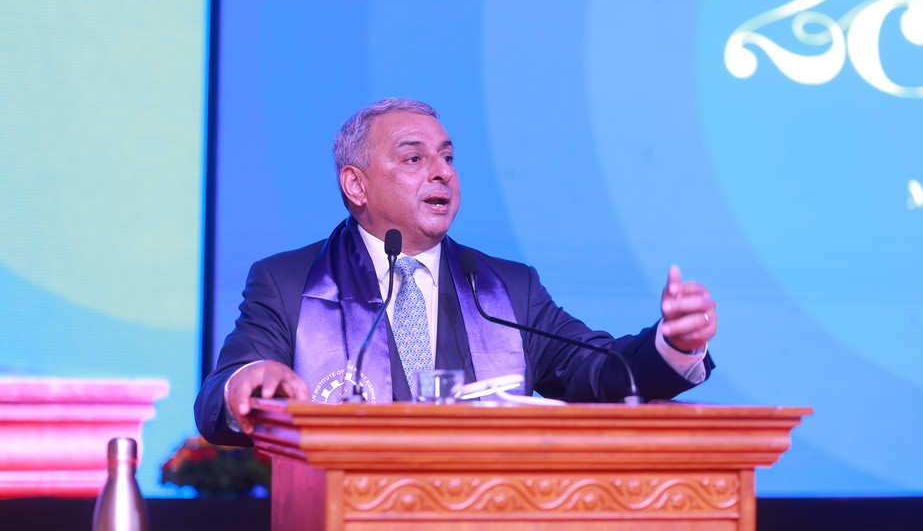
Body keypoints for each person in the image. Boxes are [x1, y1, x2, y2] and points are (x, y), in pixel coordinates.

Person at [195, 98, 717, 446]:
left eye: (447, 157)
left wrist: (674, 345)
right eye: (414, 159)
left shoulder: (506, 288)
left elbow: (601, 373)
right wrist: (248, 384)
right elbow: (216, 400)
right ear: (356, 185)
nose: (443, 172)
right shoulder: (289, 284)